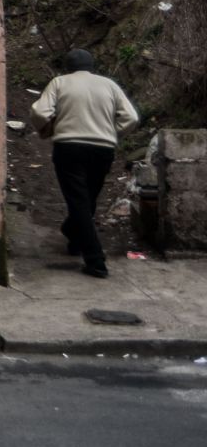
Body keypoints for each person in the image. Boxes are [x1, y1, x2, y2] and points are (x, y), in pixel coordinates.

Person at [29, 49, 139, 278]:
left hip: (69, 147)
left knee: (79, 200)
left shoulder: (59, 82)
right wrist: (113, 134)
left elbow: (39, 112)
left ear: (68, 67)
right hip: (103, 149)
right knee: (87, 198)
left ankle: (95, 260)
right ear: (92, 66)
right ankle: (74, 235)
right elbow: (131, 117)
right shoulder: (109, 85)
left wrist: (46, 129)